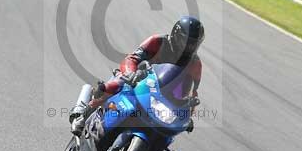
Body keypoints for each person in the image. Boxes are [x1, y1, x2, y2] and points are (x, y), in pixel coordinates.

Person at [69, 16, 204, 135]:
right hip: (138, 79)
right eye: (186, 41)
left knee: (172, 125)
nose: (189, 46)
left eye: (193, 43)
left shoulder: (195, 64)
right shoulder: (158, 41)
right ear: (176, 34)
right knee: (115, 84)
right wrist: (130, 74)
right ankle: (82, 114)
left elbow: (193, 94)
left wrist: (188, 115)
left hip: (164, 95)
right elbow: (132, 59)